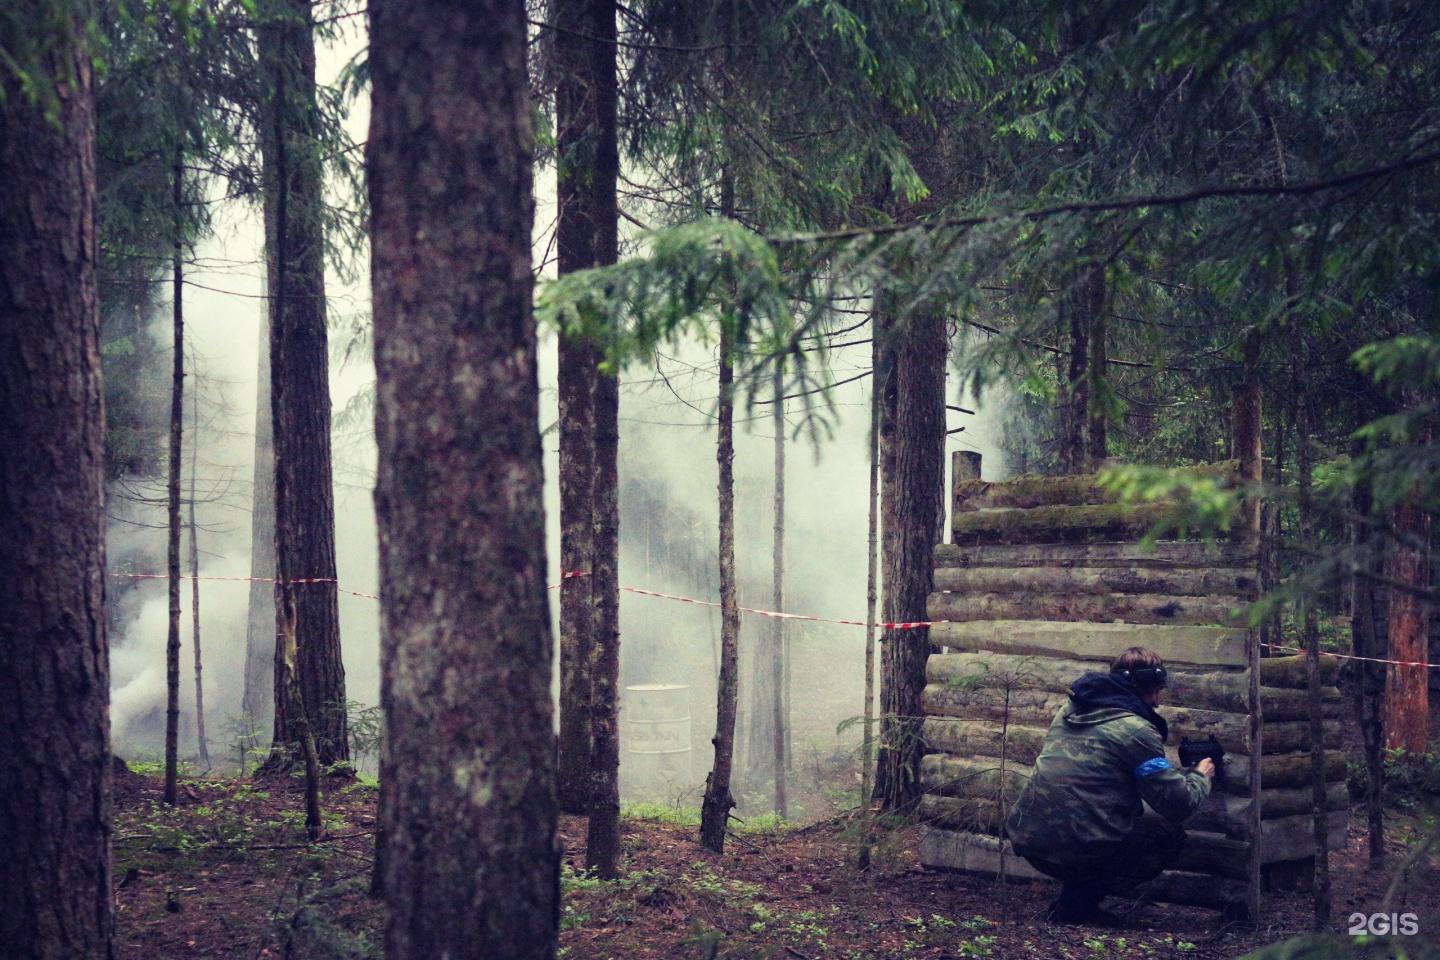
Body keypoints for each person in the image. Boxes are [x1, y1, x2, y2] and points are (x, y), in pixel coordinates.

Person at [1005, 646, 1215, 925]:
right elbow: (1179, 805)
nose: (1157, 700)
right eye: (1154, 689)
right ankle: (1078, 906)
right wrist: (1201, 775)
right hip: (1072, 846)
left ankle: (1073, 902)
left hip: (1029, 837)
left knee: (1103, 822)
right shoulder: (1136, 730)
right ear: (1145, 687)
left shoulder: (1070, 711)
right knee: (1165, 836)